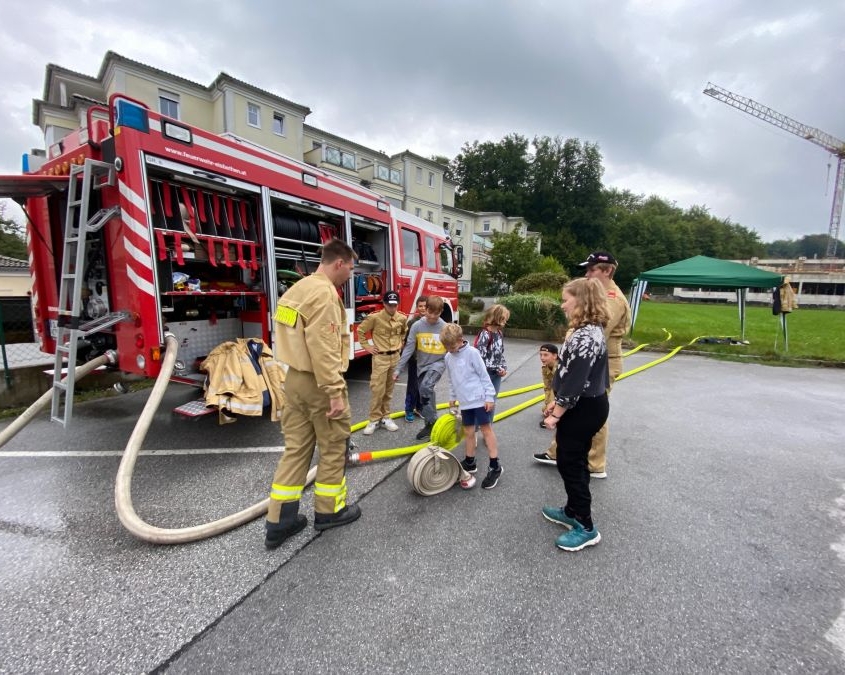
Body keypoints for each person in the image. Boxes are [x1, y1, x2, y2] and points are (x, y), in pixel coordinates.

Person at [264, 238, 361, 549]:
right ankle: (329, 512)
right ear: (339, 263)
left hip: (293, 381)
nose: (351, 274)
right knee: (333, 447)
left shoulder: (297, 289)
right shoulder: (324, 296)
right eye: (351, 268)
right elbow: (323, 348)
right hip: (320, 384)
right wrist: (334, 392)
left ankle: (280, 522)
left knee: (295, 450)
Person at [542, 277, 610, 552]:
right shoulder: (589, 331)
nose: (562, 305)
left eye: (566, 299)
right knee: (573, 460)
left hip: (583, 408)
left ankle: (585, 525)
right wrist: (556, 403)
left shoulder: (585, 337)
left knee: (571, 464)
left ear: (580, 301)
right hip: (583, 405)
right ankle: (572, 510)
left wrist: (555, 413)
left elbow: (575, 384)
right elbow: (570, 377)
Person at [580, 251, 632, 479]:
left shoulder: (612, 298)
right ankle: (558, 452)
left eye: (592, 269)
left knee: (594, 413)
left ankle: (595, 464)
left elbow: (598, 331)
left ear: (607, 271)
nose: (587, 273)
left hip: (603, 364)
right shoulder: (600, 294)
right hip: (592, 360)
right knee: (574, 410)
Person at [441, 323, 503, 489]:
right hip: (465, 402)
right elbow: (451, 379)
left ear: (461, 340)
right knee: (468, 431)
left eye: (452, 346)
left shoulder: (472, 353)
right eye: (446, 347)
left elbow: (484, 376)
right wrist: (453, 397)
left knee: (486, 430)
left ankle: (495, 466)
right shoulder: (448, 357)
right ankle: (470, 462)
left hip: (480, 399)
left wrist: (489, 397)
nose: (450, 350)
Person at [394, 295, 447, 441]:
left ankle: (433, 420)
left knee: (425, 387)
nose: (432, 317)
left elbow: (452, 349)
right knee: (426, 392)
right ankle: (429, 425)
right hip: (422, 365)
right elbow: (409, 348)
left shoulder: (444, 327)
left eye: (436, 314)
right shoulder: (417, 326)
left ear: (441, 311)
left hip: (438, 364)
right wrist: (398, 369)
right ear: (426, 309)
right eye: (430, 313)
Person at [359, 291, 408, 435]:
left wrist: (401, 343)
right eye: (389, 305)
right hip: (380, 358)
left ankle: (386, 417)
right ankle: (374, 419)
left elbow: (404, 332)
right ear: (384, 304)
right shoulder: (375, 318)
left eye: (395, 305)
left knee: (389, 390)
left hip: (395, 358)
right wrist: (367, 347)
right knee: (377, 390)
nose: (392, 308)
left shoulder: (402, 318)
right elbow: (361, 330)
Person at [474, 304, 510, 396]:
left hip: (496, 374)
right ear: (497, 318)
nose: (506, 321)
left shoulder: (499, 333)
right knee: (484, 399)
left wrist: (503, 368)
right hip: (486, 373)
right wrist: (496, 367)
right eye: (504, 318)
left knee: (493, 399)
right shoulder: (485, 334)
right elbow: (480, 357)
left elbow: (500, 354)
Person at [533, 343, 559, 465]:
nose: (542, 358)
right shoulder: (545, 367)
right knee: (545, 408)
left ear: (555, 356)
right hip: (556, 392)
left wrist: (555, 409)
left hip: (564, 394)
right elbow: (547, 387)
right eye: (541, 355)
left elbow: (562, 389)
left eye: (546, 355)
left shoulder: (561, 368)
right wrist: (548, 405)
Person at [403, 296, 428, 422]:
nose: (423, 308)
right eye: (420, 306)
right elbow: (407, 343)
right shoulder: (412, 323)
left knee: (423, 386)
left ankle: (419, 408)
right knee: (412, 386)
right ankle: (409, 410)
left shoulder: (431, 322)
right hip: (415, 360)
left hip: (427, 361)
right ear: (417, 308)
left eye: (425, 306)